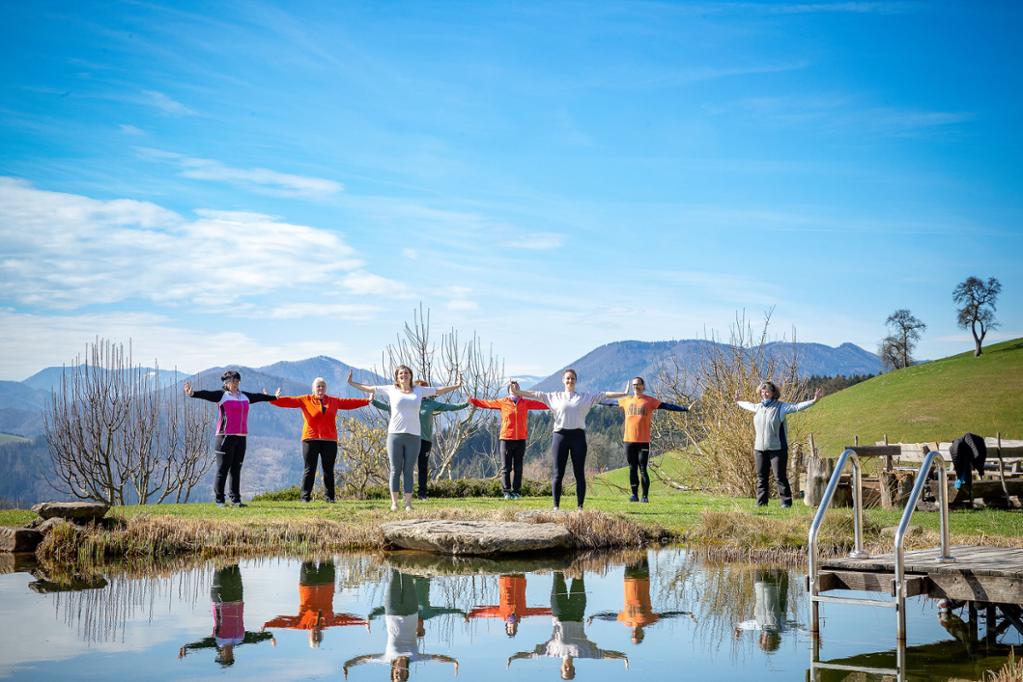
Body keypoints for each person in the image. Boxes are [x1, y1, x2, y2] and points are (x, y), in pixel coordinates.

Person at [348, 366, 462, 512]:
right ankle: (394, 503)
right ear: (397, 376)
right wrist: (352, 383)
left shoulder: (419, 390)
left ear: (410, 375)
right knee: (395, 470)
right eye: (401, 373)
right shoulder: (391, 389)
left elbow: (439, 390)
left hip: (414, 436)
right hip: (395, 435)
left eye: (406, 373)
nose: (404, 375)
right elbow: (370, 388)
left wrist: (457, 385)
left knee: (408, 470)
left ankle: (408, 503)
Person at [512, 369, 627, 510]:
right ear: (563, 380)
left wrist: (623, 393)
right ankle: (556, 507)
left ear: (576, 381)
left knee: (579, 473)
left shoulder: (585, 397)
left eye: (572, 378)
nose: (570, 381)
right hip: (560, 437)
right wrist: (518, 392)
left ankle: (580, 508)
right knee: (557, 473)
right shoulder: (554, 397)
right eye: (567, 378)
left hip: (578, 437)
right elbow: (535, 394)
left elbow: (604, 394)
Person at [184, 370, 280, 507]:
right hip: (225, 437)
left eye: (237, 381)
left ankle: (235, 500)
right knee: (223, 469)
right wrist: (193, 393)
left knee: (236, 469)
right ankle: (219, 501)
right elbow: (207, 394)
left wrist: (274, 397)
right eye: (232, 381)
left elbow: (258, 397)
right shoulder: (222, 395)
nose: (235, 384)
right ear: (226, 382)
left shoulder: (244, 396)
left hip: (241, 437)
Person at [343, 569, 459, 681]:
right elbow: (436, 657)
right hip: (411, 609)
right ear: (406, 673)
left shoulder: (387, 658)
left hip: (392, 609)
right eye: (402, 676)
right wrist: (452, 661)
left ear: (393, 671)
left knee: (394, 571)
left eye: (396, 675)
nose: (399, 673)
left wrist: (348, 664)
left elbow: (365, 659)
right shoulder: (415, 657)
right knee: (406, 570)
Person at [508, 571, 628, 679]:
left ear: (561, 669)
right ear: (574, 669)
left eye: (565, 671)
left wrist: (514, 658)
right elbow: (604, 654)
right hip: (577, 612)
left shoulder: (552, 652)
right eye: (570, 671)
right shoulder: (584, 653)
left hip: (559, 612)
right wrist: (622, 657)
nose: (568, 669)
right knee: (578, 575)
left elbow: (530, 655)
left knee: (557, 575)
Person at [272, 378, 372, 503]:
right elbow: (289, 402)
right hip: (310, 439)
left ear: (326, 388)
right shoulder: (305, 399)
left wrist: (367, 401)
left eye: (323, 386)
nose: (320, 388)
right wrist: (273, 399)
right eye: (318, 386)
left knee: (328, 470)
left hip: (329, 440)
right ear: (313, 388)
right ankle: (305, 498)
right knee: (310, 469)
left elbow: (348, 403)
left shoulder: (333, 401)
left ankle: (330, 498)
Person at [599, 377, 691, 502]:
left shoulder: (650, 401)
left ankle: (644, 496)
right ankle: (634, 495)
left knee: (643, 469)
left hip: (643, 441)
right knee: (632, 468)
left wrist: (685, 409)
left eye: (638, 384)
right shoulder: (626, 400)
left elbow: (667, 406)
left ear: (643, 386)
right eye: (634, 385)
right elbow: (610, 403)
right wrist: (593, 400)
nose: (636, 386)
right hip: (629, 441)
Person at [372, 381, 468, 500]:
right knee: (405, 467)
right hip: (410, 438)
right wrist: (373, 401)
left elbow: (449, 407)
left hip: (425, 440)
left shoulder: (431, 404)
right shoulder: (407, 401)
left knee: (422, 467)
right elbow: (388, 407)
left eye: (426, 389)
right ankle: (406, 494)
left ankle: (422, 494)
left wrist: (466, 404)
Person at [735, 382, 823, 508]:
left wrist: (814, 401)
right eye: (762, 391)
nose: (764, 394)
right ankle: (761, 503)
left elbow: (796, 407)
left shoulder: (781, 407)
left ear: (773, 393)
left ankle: (786, 503)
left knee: (780, 477)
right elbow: (748, 405)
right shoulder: (758, 407)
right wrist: (738, 401)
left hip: (778, 449)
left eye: (767, 391)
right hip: (759, 448)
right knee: (761, 477)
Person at [179, 563, 275, 665]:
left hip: (221, 598)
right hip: (237, 597)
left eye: (226, 657)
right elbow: (254, 639)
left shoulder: (217, 641)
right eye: (230, 657)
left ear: (221, 654)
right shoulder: (240, 640)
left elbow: (202, 644)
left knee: (221, 566)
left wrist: (187, 647)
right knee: (234, 565)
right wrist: (269, 636)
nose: (229, 655)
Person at [588, 556, 695, 644]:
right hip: (643, 577)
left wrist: (594, 616)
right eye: (637, 636)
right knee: (642, 552)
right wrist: (686, 613)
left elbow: (610, 616)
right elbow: (667, 615)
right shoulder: (649, 620)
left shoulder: (626, 621)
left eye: (633, 636)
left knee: (631, 552)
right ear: (642, 634)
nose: (634, 634)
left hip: (629, 578)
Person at [469, 381, 549, 499]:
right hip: (506, 439)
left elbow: (542, 405)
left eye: (516, 387)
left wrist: (556, 404)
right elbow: (487, 403)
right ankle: (506, 491)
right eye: (512, 387)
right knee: (506, 467)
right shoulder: (503, 402)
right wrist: (473, 401)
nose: (514, 388)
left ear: (520, 390)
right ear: (508, 390)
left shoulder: (525, 402)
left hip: (520, 439)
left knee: (518, 467)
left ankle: (516, 492)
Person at [263, 560, 368, 648]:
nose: (316, 635)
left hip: (308, 584)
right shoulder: (329, 622)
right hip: (327, 583)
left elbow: (284, 623)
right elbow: (344, 621)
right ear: (322, 635)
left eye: (314, 638)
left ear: (309, 636)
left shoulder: (302, 624)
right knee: (327, 556)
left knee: (308, 558)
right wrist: (362, 622)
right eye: (319, 638)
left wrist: (267, 624)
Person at [468, 573, 552, 637]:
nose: (511, 627)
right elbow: (538, 612)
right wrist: (552, 612)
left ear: (506, 625)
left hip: (505, 578)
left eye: (509, 628)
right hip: (519, 578)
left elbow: (487, 612)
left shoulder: (502, 613)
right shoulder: (522, 613)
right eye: (513, 628)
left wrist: (472, 614)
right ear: (516, 626)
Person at [733, 568, 793, 652]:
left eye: (765, 640)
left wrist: (739, 629)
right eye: (768, 641)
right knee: (772, 564)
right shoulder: (779, 626)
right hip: (767, 583)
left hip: (765, 583)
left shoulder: (759, 625)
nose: (767, 638)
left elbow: (744, 625)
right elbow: (795, 626)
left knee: (768, 564)